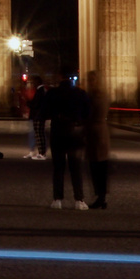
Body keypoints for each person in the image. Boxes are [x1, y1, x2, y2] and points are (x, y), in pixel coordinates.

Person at [45, 74, 89, 209]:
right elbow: (87, 113)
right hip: (74, 131)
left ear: (60, 77)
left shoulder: (52, 93)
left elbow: (45, 111)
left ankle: (57, 199)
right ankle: (79, 200)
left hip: (57, 130)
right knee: (76, 167)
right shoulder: (80, 93)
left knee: (58, 167)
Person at [86, 70, 111, 209]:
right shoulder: (104, 95)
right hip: (102, 132)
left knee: (96, 167)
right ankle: (101, 196)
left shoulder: (93, 97)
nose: (89, 83)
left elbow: (89, 114)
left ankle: (100, 197)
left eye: (91, 80)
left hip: (95, 133)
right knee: (101, 167)